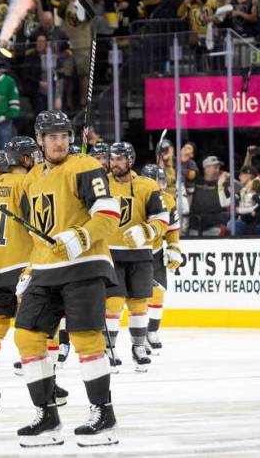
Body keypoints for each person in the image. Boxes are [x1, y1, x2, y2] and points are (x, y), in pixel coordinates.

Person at [14, 110, 122, 447]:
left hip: (85, 266)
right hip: (45, 270)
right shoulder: (31, 179)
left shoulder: (85, 167)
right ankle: (47, 416)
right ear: (40, 141)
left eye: (64, 136)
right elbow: (36, 234)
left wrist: (80, 238)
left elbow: (108, 214)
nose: (59, 142)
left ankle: (103, 414)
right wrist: (30, 268)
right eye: (52, 137)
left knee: (86, 338)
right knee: (26, 336)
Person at [0, 139, 68, 410]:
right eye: (33, 154)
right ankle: (50, 384)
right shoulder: (29, 184)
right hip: (25, 267)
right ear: (23, 159)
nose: (37, 157)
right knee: (45, 327)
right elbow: (39, 225)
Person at [103, 142, 169, 372]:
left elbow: (161, 219)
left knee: (139, 303)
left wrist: (147, 231)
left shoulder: (147, 186)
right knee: (113, 304)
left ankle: (138, 347)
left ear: (130, 160)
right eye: (112, 159)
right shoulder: (102, 184)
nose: (114, 163)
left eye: (119, 159)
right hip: (110, 253)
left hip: (140, 254)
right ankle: (109, 348)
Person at [139, 164, 183, 352]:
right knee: (134, 299)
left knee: (158, 292)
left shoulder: (169, 200)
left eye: (161, 181)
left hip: (155, 251)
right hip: (135, 253)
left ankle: (152, 331)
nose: (160, 185)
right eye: (156, 181)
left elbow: (172, 228)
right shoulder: (137, 197)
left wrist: (173, 246)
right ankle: (136, 338)